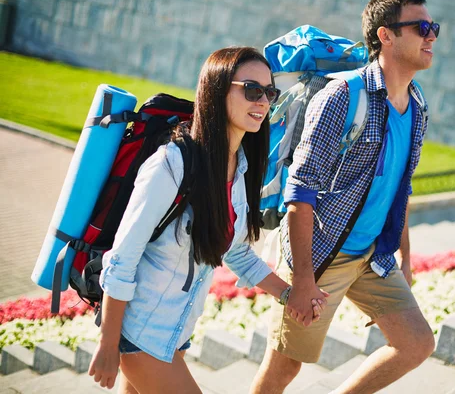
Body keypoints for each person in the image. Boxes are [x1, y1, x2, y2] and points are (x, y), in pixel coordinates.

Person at [88, 46, 327, 394]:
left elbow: (237, 252)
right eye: (251, 90)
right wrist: (108, 345)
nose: (262, 101)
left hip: (175, 333)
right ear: (217, 89)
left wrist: (289, 294)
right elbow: (123, 259)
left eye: (269, 93)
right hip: (140, 333)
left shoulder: (240, 165)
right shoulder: (170, 164)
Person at [251, 0, 439, 393]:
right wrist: (302, 280)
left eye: (434, 28)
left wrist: (403, 254)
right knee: (283, 369)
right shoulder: (342, 97)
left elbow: (399, 186)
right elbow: (299, 192)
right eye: (421, 28)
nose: (432, 37)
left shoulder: (418, 104)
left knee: (416, 344)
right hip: (320, 259)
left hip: (373, 257)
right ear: (386, 36)